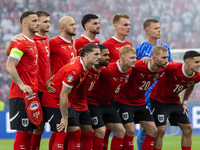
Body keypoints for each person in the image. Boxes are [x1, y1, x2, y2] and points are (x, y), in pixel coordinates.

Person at [5, 10, 52, 150]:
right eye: (34, 21)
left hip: (32, 94)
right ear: (24, 23)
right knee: (23, 132)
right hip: (21, 94)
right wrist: (22, 85)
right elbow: (9, 65)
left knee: (31, 130)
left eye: (38, 20)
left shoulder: (32, 43)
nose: (37, 23)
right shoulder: (21, 43)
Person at [41, 43, 101, 150]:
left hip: (65, 102)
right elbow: (63, 94)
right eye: (96, 54)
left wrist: (52, 79)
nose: (99, 57)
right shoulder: (75, 71)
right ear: (87, 55)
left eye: (99, 54)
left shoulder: (80, 61)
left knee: (76, 132)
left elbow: (64, 69)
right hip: (53, 100)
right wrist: (64, 118)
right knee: (61, 132)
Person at [115, 45, 169, 150]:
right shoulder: (137, 65)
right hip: (124, 101)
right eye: (163, 58)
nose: (166, 60)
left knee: (153, 130)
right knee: (130, 130)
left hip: (140, 102)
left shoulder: (162, 69)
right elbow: (121, 65)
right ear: (154, 58)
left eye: (167, 57)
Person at [87, 45, 136, 150]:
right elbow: (90, 71)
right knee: (100, 131)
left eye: (135, 57)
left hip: (107, 104)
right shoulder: (107, 70)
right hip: (94, 103)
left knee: (121, 131)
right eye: (132, 58)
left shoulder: (129, 71)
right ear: (122, 58)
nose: (135, 60)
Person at [150, 50, 200, 150]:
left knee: (188, 129)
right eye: (197, 62)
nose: (199, 65)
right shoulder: (172, 67)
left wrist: (184, 102)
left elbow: (191, 85)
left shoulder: (197, 76)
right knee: (161, 129)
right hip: (159, 99)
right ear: (187, 63)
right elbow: (157, 66)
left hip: (174, 101)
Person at [136, 19, 173, 150]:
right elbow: (134, 70)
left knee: (159, 129)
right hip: (145, 94)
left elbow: (170, 69)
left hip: (161, 94)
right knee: (145, 127)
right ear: (147, 31)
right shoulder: (140, 49)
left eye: (159, 27)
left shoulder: (165, 48)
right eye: (156, 28)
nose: (159, 30)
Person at [102, 13, 132, 149]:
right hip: (109, 94)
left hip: (123, 94)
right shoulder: (107, 44)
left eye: (129, 25)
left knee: (125, 129)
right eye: (125, 25)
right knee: (106, 130)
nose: (128, 27)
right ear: (116, 26)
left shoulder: (128, 44)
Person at [70, 44, 109, 150]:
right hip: (73, 103)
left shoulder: (100, 69)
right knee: (69, 134)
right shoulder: (84, 67)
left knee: (89, 132)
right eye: (104, 55)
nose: (108, 58)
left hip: (83, 104)